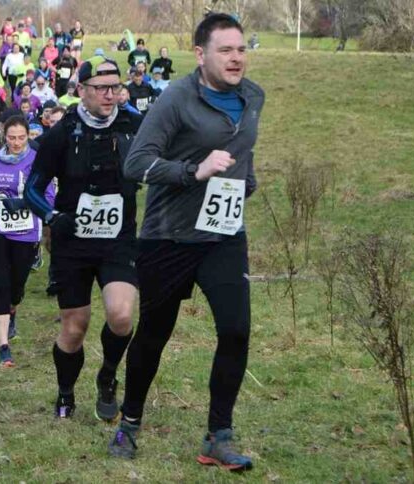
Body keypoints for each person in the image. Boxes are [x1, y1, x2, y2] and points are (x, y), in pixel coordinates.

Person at [109, 14, 263, 470]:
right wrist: (192, 172)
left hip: (224, 234)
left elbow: (243, 151)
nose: (236, 58)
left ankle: (218, 436)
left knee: (235, 330)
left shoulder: (253, 96)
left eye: (240, 49)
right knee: (154, 335)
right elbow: (136, 164)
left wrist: (243, 182)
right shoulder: (177, 98)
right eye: (225, 50)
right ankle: (130, 423)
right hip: (168, 236)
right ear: (201, 54)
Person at [24, 56, 142, 422]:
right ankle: (65, 390)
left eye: (115, 88)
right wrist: (50, 216)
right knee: (74, 329)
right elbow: (33, 188)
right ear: (81, 91)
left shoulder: (133, 123)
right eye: (101, 89)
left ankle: (108, 375)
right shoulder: (62, 132)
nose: (110, 96)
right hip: (73, 241)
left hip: (118, 238)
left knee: (121, 316)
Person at [0, 115, 54, 366]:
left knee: (16, 287)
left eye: (22, 137)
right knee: (2, 284)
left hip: (27, 228)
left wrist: (34, 205)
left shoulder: (37, 159)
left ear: (28, 136)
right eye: (12, 138)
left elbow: (49, 192)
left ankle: (10, 305)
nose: (17, 143)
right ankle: (3, 347)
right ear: (4, 137)